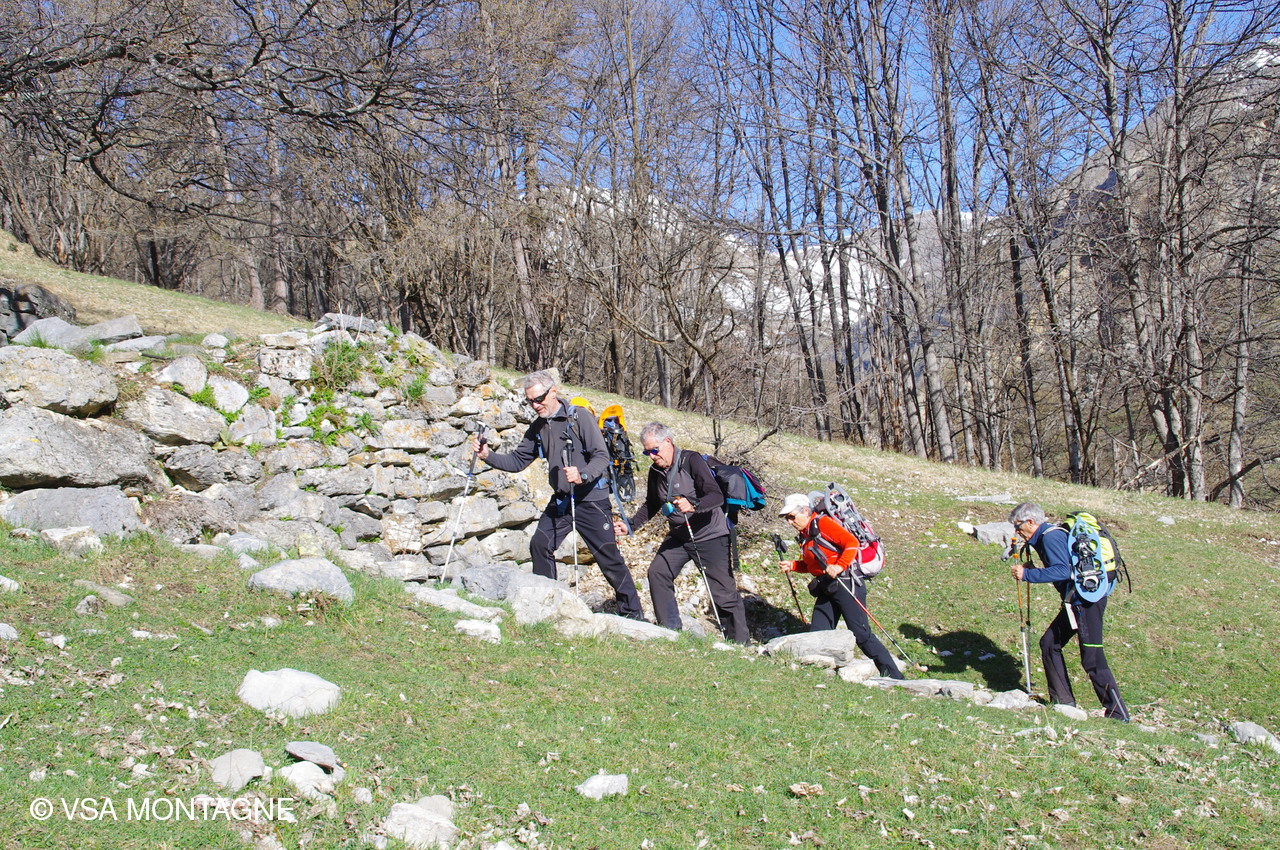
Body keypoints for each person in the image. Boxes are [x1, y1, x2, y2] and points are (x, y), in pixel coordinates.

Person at [471, 371, 644, 619]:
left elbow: (601, 456)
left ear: (553, 392)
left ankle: (634, 615)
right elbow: (518, 461)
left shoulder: (579, 417)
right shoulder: (539, 426)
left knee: (609, 559)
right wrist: (488, 456)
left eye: (538, 399)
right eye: (530, 401)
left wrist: (582, 474)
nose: (535, 405)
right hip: (562, 500)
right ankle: (547, 607)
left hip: (591, 500)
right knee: (540, 544)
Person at [611, 423, 750, 643]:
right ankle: (670, 632)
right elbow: (652, 503)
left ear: (667, 442)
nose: (651, 456)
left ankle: (740, 643)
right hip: (679, 535)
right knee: (658, 572)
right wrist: (631, 525)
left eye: (654, 450)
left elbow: (715, 496)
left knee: (723, 592)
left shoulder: (691, 460)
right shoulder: (655, 471)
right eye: (647, 452)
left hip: (710, 535)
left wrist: (694, 504)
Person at [1008, 501, 1129, 721]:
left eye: (1018, 526)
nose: (1016, 531)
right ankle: (1063, 702)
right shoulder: (1046, 536)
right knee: (1049, 643)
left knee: (1092, 657)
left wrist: (1028, 575)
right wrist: (1034, 570)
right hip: (1077, 599)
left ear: (1030, 522)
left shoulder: (1050, 537)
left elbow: (1062, 571)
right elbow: (1065, 568)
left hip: (1087, 601)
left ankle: (1118, 713)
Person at [778, 493, 903, 679]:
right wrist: (793, 565)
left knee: (861, 633)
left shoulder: (823, 523)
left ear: (805, 510)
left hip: (846, 584)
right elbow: (815, 564)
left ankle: (893, 674)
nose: (790, 522)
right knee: (818, 632)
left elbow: (851, 542)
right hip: (827, 585)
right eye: (787, 518)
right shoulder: (806, 534)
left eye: (792, 516)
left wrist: (839, 566)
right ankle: (817, 674)